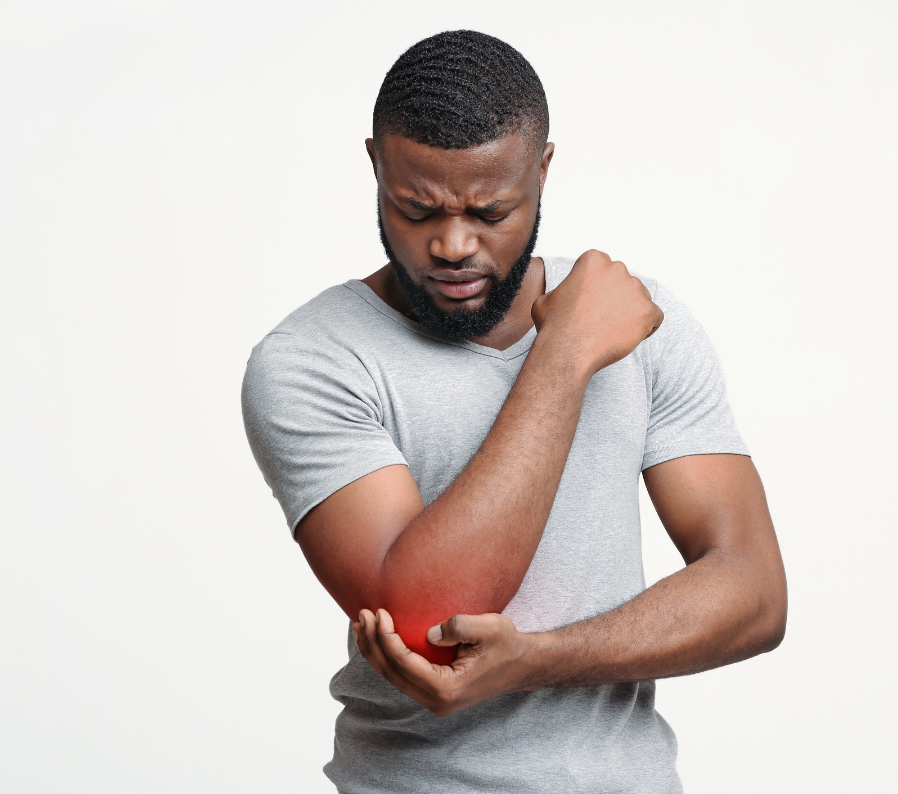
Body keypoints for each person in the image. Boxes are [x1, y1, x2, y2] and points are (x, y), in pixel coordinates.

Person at [242, 29, 786, 794]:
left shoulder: (641, 322)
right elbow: (429, 622)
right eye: (415, 209)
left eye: (491, 210)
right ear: (375, 165)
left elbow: (755, 593)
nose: (453, 244)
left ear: (543, 169)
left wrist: (541, 659)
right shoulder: (313, 360)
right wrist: (561, 357)